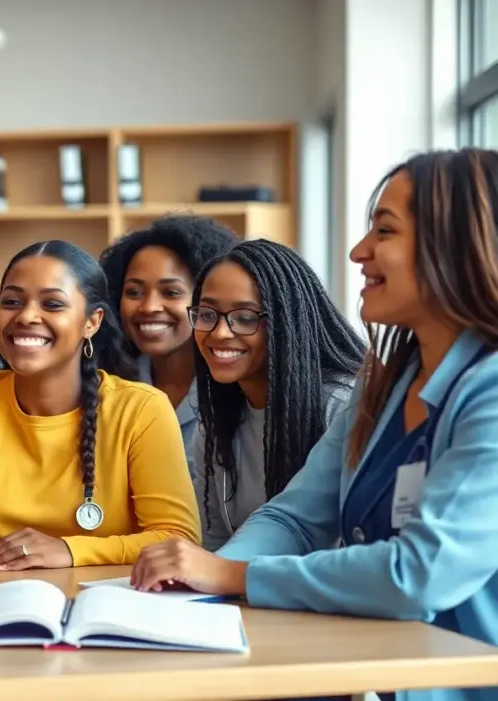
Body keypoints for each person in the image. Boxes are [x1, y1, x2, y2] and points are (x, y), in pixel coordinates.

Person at [130, 149, 498, 701]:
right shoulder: (387, 383)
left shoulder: (489, 392)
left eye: (385, 231)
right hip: (387, 678)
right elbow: (295, 516)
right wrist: (199, 577)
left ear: (456, 245)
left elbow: (418, 574)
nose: (359, 251)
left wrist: (234, 578)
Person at [0, 240, 200, 581]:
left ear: (92, 322)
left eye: (53, 304)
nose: (26, 316)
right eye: (11, 302)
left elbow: (177, 536)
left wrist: (69, 550)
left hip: (110, 601)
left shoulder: (142, 409)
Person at [184, 239, 365, 550]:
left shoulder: (342, 407)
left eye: (245, 317)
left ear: (286, 323)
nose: (220, 332)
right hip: (245, 593)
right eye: (207, 314)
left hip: (318, 596)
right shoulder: (216, 422)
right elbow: (213, 543)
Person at [99, 214, 237, 467]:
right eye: (134, 292)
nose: (150, 307)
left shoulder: (237, 388)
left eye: (171, 292)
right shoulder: (106, 384)